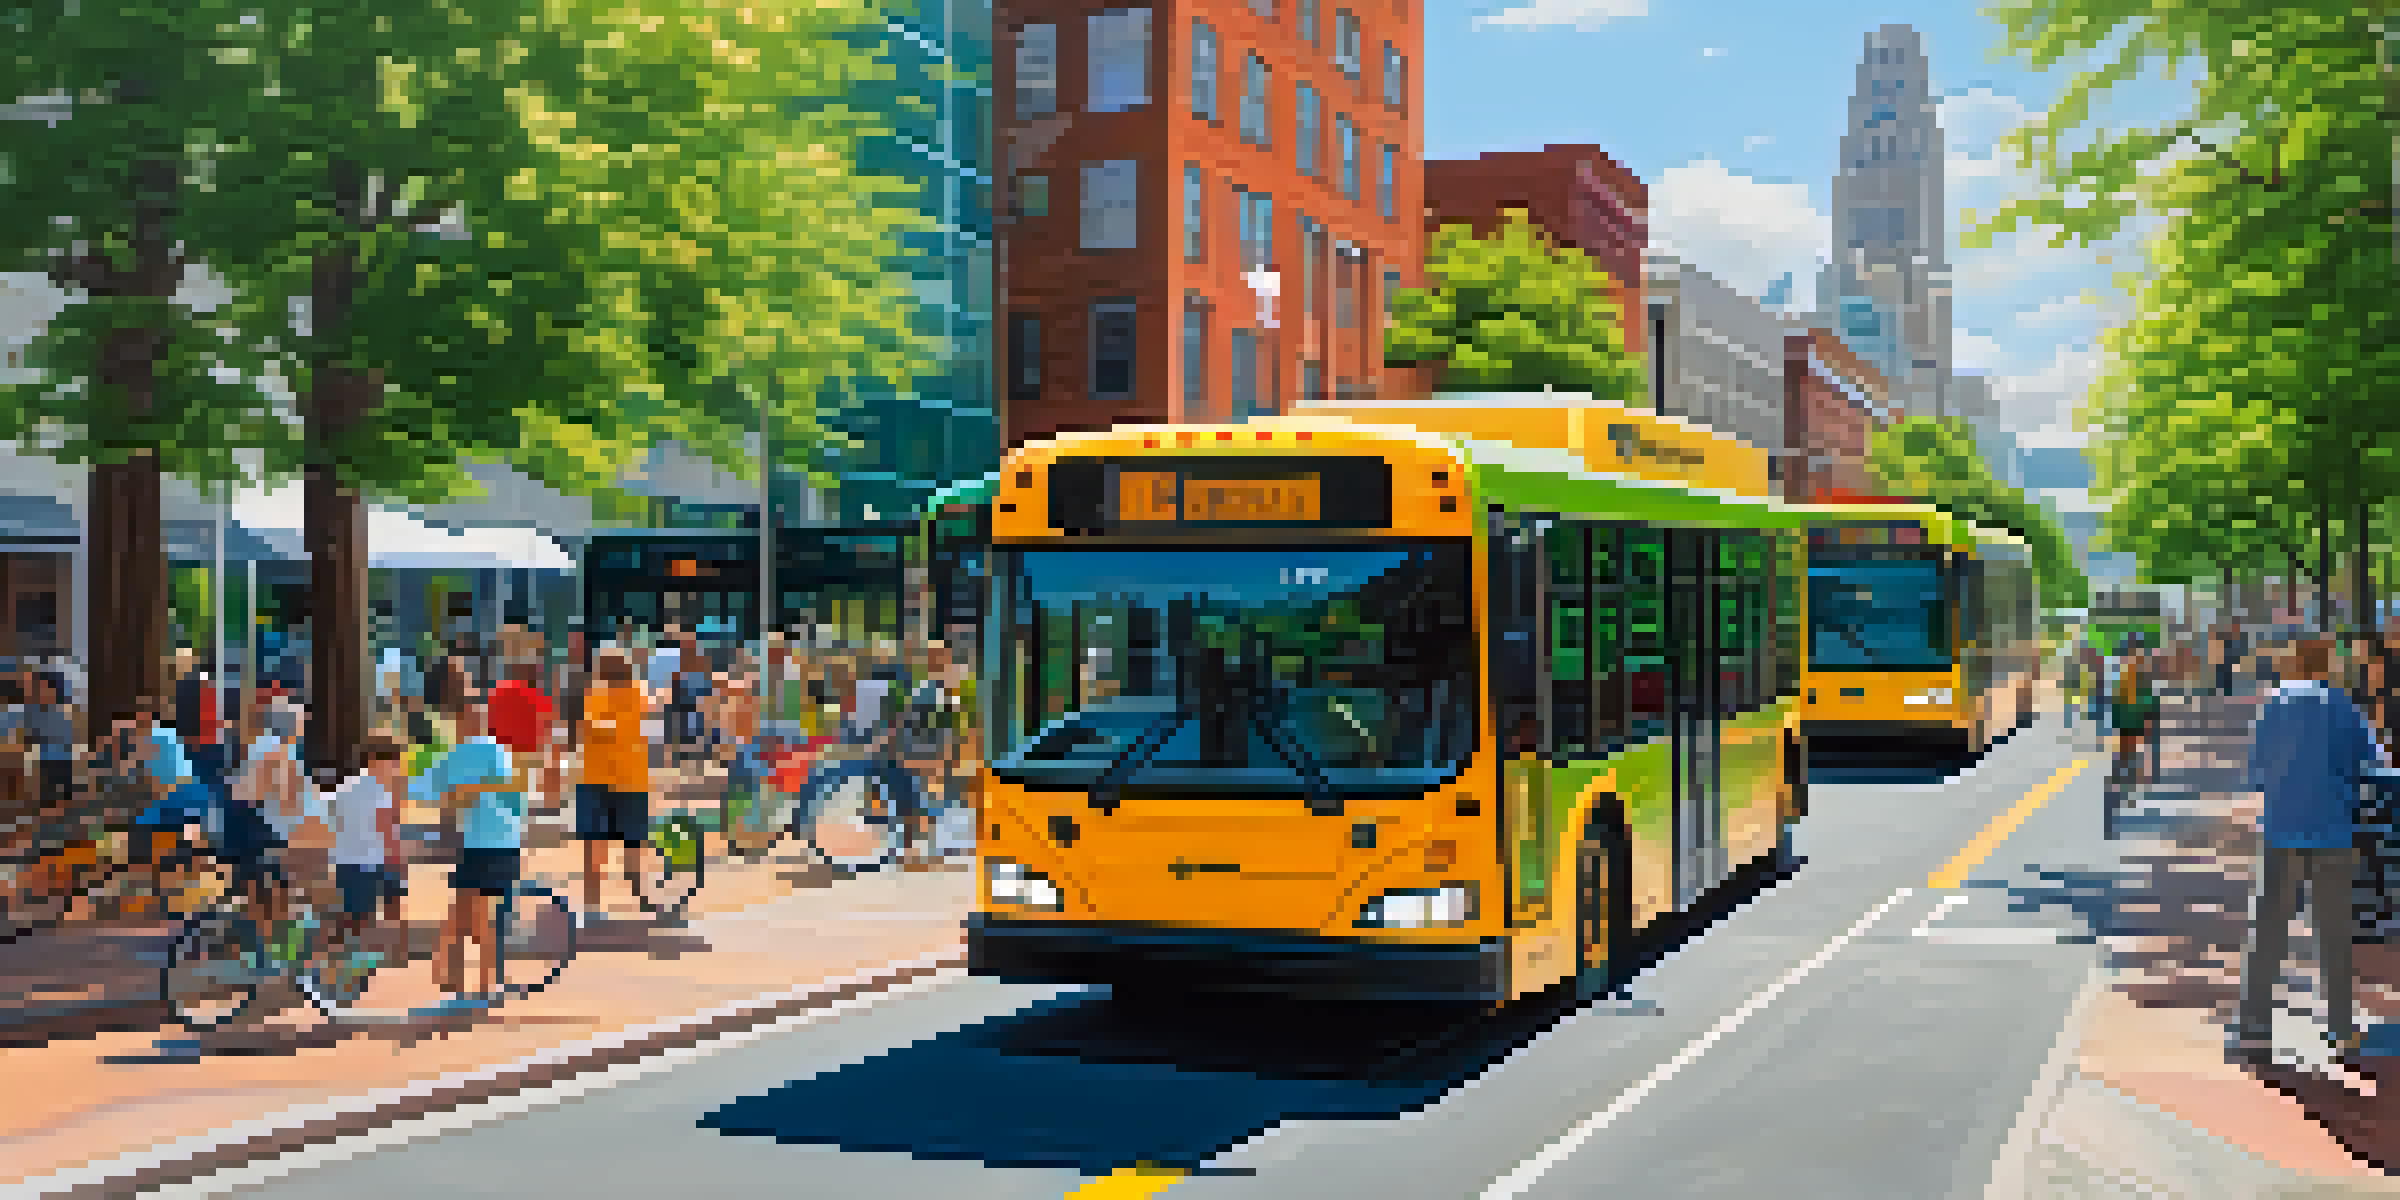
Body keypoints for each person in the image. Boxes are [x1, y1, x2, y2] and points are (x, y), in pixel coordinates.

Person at [2238, 636, 2389, 1064]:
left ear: (2292, 663)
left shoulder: (2273, 704)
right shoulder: (2344, 707)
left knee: (2269, 928)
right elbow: (2372, 766)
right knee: (2334, 933)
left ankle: (2254, 1024)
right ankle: (2340, 1028)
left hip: (2282, 830)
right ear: (2327, 665)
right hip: (2333, 832)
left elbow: (2256, 773)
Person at [411, 695, 525, 999]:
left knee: (466, 914)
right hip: (498, 845)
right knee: (480, 917)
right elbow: (511, 794)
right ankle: (480, 984)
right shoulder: (496, 752)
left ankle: (452, 976)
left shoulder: (456, 757)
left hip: (479, 845)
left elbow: (423, 790)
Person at [576, 651, 656, 915]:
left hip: (601, 781)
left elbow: (589, 729)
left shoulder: (598, 696)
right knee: (630, 846)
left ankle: (592, 907)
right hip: (628, 782)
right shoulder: (640, 696)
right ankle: (640, 896)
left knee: (596, 848)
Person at [329, 733, 409, 944]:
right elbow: (386, 829)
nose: (395, 768)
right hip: (372, 860)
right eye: (393, 762)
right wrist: (399, 859)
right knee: (379, 911)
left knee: (353, 917)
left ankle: (350, 955)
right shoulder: (378, 790)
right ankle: (393, 950)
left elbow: (334, 824)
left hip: (346, 860)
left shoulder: (344, 786)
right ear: (376, 760)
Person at [487, 662, 557, 810]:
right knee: (521, 789)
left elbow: (492, 720)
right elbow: (546, 725)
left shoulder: (502, 691)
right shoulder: (539, 697)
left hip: (505, 748)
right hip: (528, 750)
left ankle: (510, 811)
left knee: (508, 788)